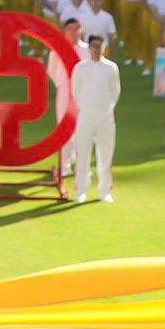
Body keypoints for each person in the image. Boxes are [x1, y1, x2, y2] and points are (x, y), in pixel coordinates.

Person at [64, 26, 120, 201]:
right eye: (93, 46)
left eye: (99, 46)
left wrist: (108, 106)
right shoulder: (80, 68)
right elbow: (75, 91)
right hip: (86, 115)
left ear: (103, 47)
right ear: (89, 48)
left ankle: (104, 191)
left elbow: (115, 91)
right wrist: (85, 106)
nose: (96, 49)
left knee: (106, 154)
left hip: (105, 115)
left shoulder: (111, 68)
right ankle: (80, 190)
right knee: (83, 153)